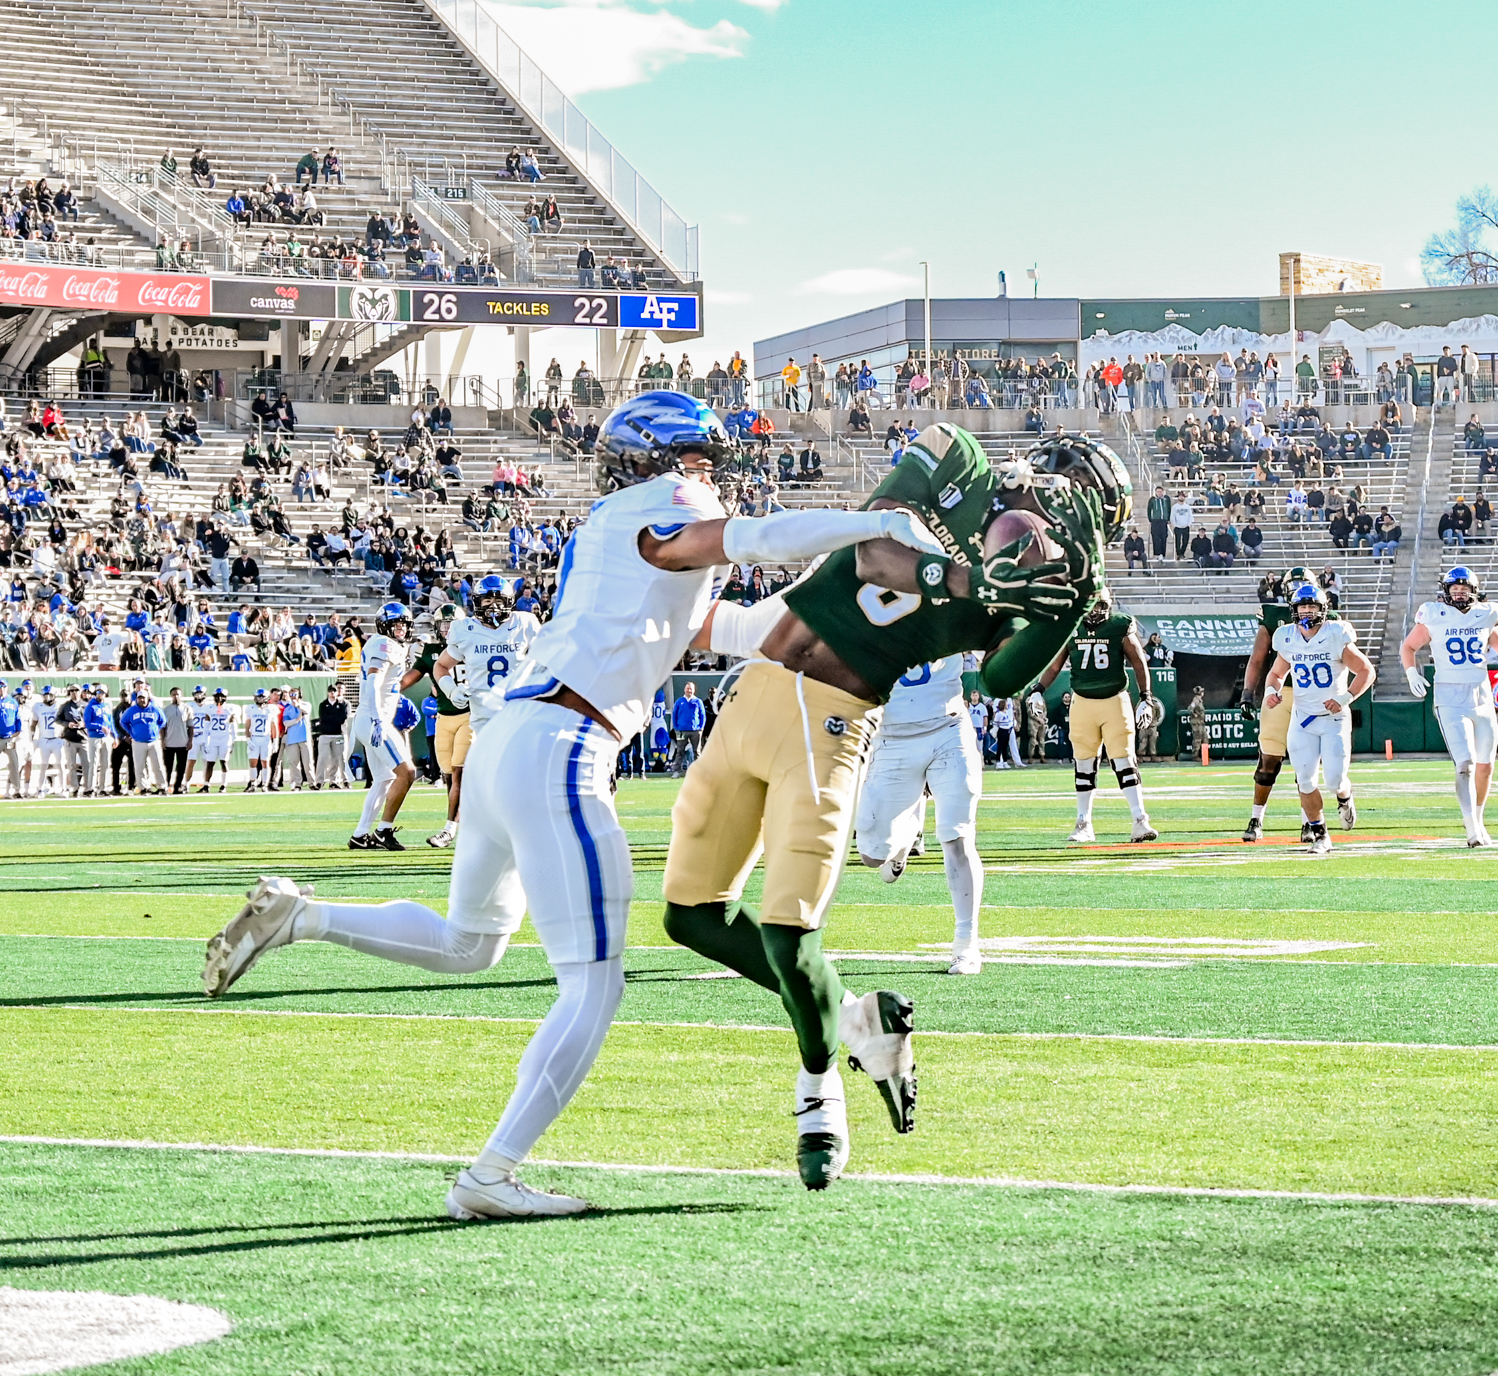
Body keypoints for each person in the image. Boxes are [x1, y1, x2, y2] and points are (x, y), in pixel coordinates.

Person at [199, 389, 945, 1220]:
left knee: (469, 945)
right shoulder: (667, 508)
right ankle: (490, 1175)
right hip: (564, 747)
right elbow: (750, 538)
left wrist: (851, 580)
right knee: (592, 987)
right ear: (662, 461)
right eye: (697, 460)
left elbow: (736, 630)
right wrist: (864, 525)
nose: (707, 475)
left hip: (508, 746)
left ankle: (301, 917)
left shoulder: (611, 531)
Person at [661, 425, 1111, 1190]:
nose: (1047, 540)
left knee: (787, 930)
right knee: (689, 916)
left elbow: (1000, 682)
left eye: (1072, 535)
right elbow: (873, 548)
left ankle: (818, 1098)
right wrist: (974, 583)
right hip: (755, 692)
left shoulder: (1038, 586)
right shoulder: (959, 461)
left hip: (837, 720)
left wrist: (1064, 612)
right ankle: (865, 1021)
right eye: (1056, 505)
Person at [853, 657, 985, 975]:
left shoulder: (952, 606)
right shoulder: (866, 608)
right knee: (872, 857)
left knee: (957, 836)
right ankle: (902, 844)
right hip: (890, 737)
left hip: (948, 729)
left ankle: (966, 944)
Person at [427, 581, 542, 851]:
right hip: (480, 721)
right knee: (472, 780)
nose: (492, 607)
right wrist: (450, 689)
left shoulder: (526, 624)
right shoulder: (465, 629)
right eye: (486, 601)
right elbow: (441, 666)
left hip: (517, 717)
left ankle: (524, 834)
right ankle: (459, 831)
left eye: (498, 600)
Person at [1038, 588, 1157, 843]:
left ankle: (1140, 820)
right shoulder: (1071, 626)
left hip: (1115, 699)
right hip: (1082, 701)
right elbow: (1056, 663)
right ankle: (1083, 823)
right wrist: (1038, 689)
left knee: (1124, 761)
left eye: (1100, 605)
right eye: (1092, 605)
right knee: (1083, 764)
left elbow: (1138, 661)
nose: (1095, 611)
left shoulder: (1118, 626)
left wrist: (1146, 697)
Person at [1264, 583, 1374, 856]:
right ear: (1294, 610)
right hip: (1302, 719)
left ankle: (1344, 796)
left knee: (1335, 780)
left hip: (1333, 718)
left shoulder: (1335, 634)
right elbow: (1277, 673)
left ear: (1323, 610)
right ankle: (1320, 834)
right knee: (1305, 781)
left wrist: (1345, 698)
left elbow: (1366, 671)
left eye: (1312, 606)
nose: (1307, 611)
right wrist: (1271, 691)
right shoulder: (1287, 637)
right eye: (1303, 606)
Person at [1400, 567, 1498, 846]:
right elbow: (1408, 647)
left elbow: (1495, 642)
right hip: (1449, 697)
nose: (1459, 592)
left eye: (1464, 588)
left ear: (1474, 590)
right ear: (1446, 590)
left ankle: (1478, 820)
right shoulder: (1434, 613)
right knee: (1464, 763)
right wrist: (1411, 673)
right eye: (1454, 588)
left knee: (1486, 766)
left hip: (1481, 697)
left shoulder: (1488, 613)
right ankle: (1471, 829)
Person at [121, 687, 167, 796]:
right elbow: (123, 722)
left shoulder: (155, 709)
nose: (142, 700)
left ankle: (162, 787)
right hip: (138, 742)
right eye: (140, 698)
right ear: (137, 699)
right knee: (139, 766)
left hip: (153, 741)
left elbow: (163, 721)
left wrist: (155, 730)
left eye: (144, 698)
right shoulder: (132, 710)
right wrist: (131, 733)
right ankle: (143, 788)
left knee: (158, 765)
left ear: (148, 698)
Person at [198, 686, 238, 793]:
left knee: (224, 762)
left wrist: (233, 740)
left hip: (225, 738)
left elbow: (233, 726)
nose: (219, 698)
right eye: (217, 696)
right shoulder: (209, 708)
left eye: (222, 696)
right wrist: (205, 741)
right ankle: (206, 785)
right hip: (213, 738)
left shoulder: (230, 708)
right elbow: (206, 727)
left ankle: (223, 785)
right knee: (209, 763)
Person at [668, 681, 706, 777]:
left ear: (694, 690)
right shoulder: (679, 701)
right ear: (684, 689)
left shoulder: (698, 701)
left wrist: (700, 728)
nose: (689, 690)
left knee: (697, 752)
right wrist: (676, 728)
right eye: (687, 688)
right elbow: (674, 715)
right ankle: (676, 771)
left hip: (695, 731)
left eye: (691, 689)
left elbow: (702, 716)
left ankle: (698, 772)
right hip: (682, 731)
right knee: (680, 751)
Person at [162, 686, 194, 795]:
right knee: (168, 767)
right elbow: (163, 727)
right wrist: (162, 741)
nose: (176, 696)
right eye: (174, 694)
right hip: (169, 743)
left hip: (182, 742)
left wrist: (190, 741)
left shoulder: (187, 709)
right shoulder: (166, 709)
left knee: (181, 767)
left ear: (181, 695)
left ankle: (177, 787)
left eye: (178, 694)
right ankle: (165, 786)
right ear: (171, 696)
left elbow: (191, 727)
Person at [244, 688, 276, 793]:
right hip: (255, 737)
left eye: (262, 697)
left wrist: (275, 741)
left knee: (265, 762)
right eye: (258, 697)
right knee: (253, 762)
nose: (260, 699)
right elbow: (247, 726)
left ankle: (265, 784)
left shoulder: (271, 709)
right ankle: (253, 783)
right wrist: (248, 739)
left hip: (266, 738)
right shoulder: (251, 708)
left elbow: (273, 726)